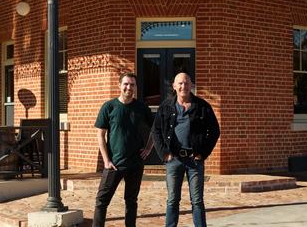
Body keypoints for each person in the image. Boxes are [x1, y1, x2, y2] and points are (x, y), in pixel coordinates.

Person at [151, 72, 220, 227]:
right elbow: (156, 131)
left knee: (197, 201)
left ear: (191, 85)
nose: (184, 86)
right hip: (174, 159)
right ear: (174, 86)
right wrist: (164, 153)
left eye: (187, 83)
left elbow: (214, 130)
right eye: (180, 83)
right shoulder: (166, 106)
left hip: (194, 161)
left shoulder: (202, 106)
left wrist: (203, 152)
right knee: (172, 200)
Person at [92, 72, 154, 227]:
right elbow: (100, 135)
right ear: (119, 85)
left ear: (135, 87)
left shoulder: (141, 108)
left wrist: (148, 148)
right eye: (126, 84)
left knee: (131, 201)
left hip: (135, 164)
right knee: (101, 201)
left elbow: (155, 129)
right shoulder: (109, 107)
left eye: (132, 84)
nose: (129, 87)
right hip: (114, 164)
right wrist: (106, 160)